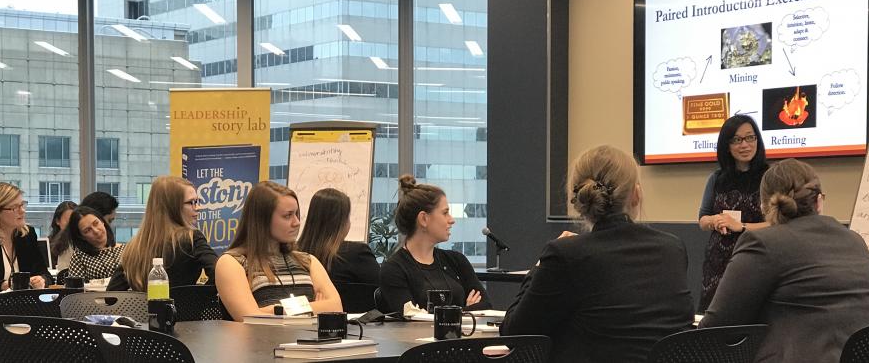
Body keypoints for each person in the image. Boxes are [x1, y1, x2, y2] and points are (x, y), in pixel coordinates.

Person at [501, 146, 693, 363]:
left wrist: (538, 267)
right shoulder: (673, 248)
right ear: (636, 195)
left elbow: (515, 334)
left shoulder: (567, 254)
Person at [700, 159, 869, 362]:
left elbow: (716, 328)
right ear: (819, 202)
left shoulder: (763, 242)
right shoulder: (854, 240)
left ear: (764, 206)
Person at [217, 181, 342, 321]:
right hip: (262, 341)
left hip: (312, 341)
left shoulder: (307, 260)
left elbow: (336, 308)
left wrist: (273, 309)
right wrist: (315, 307)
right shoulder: (232, 263)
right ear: (262, 220)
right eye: (287, 216)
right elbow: (250, 319)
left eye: (296, 214)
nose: (297, 222)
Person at [378, 175, 491, 315]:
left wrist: (440, 314)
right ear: (424, 219)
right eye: (445, 213)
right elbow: (411, 319)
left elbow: (485, 306)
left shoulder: (457, 261)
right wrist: (465, 311)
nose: (451, 220)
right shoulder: (394, 269)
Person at [697, 114, 769, 311]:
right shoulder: (716, 178)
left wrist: (743, 227)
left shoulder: (769, 178)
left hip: (756, 259)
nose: (744, 145)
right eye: (737, 140)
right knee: (713, 320)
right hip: (718, 263)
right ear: (727, 145)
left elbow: (779, 222)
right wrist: (716, 220)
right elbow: (702, 220)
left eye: (750, 138)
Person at [107, 176, 218, 291]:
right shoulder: (191, 238)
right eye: (191, 202)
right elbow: (220, 274)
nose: (198, 207)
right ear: (172, 207)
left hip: (143, 309)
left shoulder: (134, 247)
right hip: (184, 308)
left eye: (197, 201)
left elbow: (111, 296)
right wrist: (197, 298)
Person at [297, 188, 380, 285]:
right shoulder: (357, 253)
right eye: (348, 217)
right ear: (341, 222)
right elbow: (383, 291)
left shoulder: (295, 255)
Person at [67, 206, 125, 282]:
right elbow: (76, 290)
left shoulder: (126, 250)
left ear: (102, 221)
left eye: (96, 223)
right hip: (94, 293)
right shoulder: (79, 256)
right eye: (87, 230)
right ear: (81, 237)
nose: (96, 231)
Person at [48, 200, 77, 270]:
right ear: (57, 221)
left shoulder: (83, 242)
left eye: (75, 221)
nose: (72, 226)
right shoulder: (48, 244)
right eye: (68, 222)